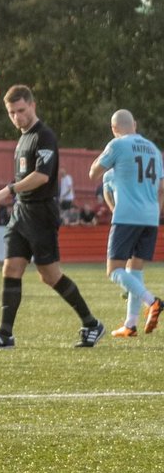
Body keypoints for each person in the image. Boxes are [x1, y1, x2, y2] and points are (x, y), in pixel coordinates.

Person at [0, 85, 103, 348]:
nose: (17, 117)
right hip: (21, 213)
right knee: (10, 268)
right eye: (12, 112)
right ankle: (5, 333)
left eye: (21, 110)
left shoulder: (44, 136)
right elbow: (24, 176)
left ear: (33, 106)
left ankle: (92, 323)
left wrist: (7, 190)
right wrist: (12, 193)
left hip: (40, 214)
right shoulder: (23, 139)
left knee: (49, 274)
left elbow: (41, 177)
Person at [89, 109, 164, 337]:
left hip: (126, 215)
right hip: (150, 216)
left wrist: (109, 148)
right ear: (135, 124)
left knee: (114, 270)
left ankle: (152, 301)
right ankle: (130, 324)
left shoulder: (117, 145)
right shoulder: (153, 149)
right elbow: (161, 188)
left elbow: (93, 173)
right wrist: (155, 212)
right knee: (135, 269)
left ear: (114, 129)